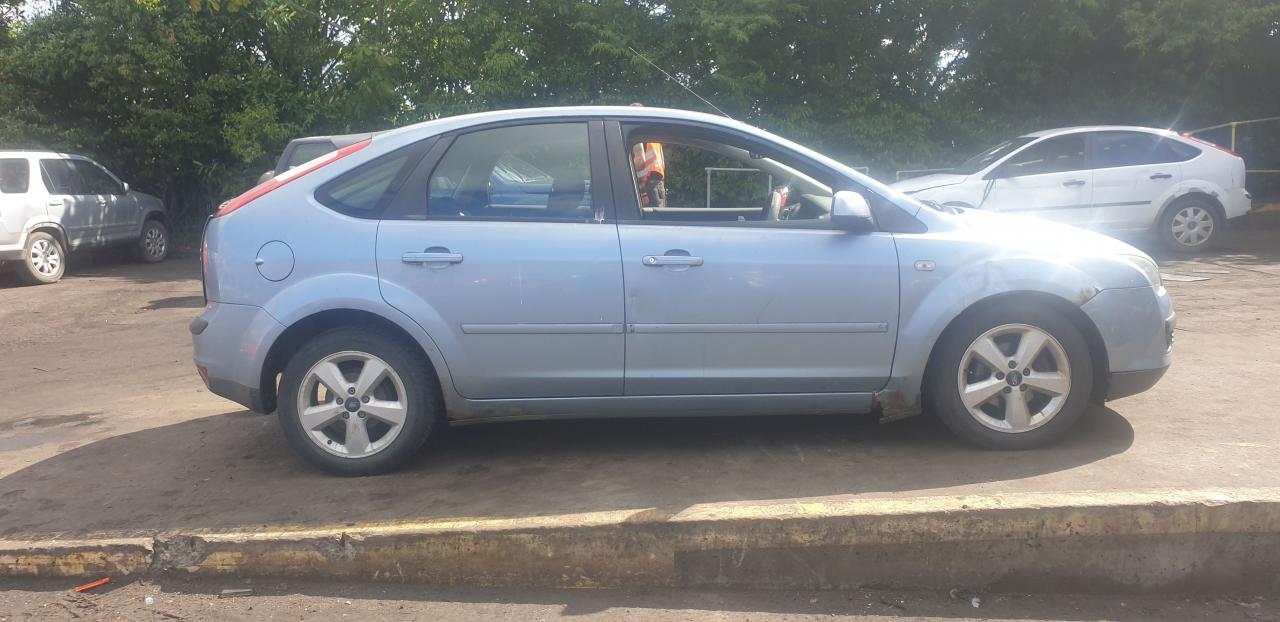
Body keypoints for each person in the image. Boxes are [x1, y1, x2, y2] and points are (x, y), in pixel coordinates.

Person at [629, 103, 667, 208]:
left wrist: (622, 170)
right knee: (658, 216)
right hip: (657, 186)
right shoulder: (651, 135)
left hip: (646, 187)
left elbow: (640, 161)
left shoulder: (637, 134)